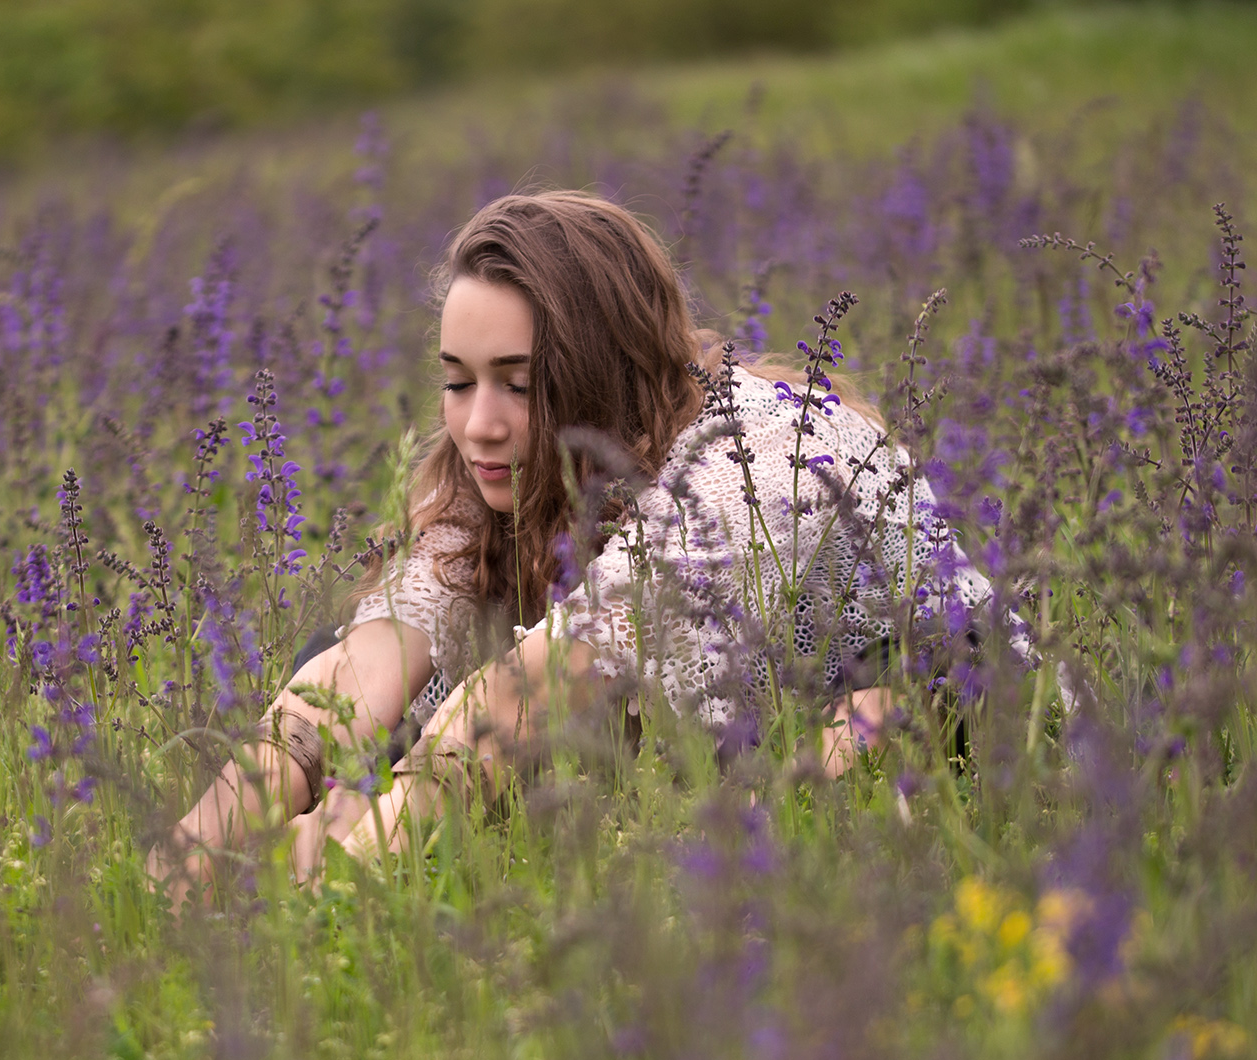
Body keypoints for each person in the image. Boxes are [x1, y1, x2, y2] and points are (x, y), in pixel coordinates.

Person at [147, 190, 981, 899]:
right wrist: (196, 849)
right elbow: (367, 664)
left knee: (803, 793)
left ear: (605, 370)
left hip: (901, 703)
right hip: (678, 729)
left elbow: (539, 686)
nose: (479, 423)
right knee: (391, 681)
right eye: (457, 380)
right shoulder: (497, 475)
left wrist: (344, 862)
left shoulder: (760, 461)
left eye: (519, 382)